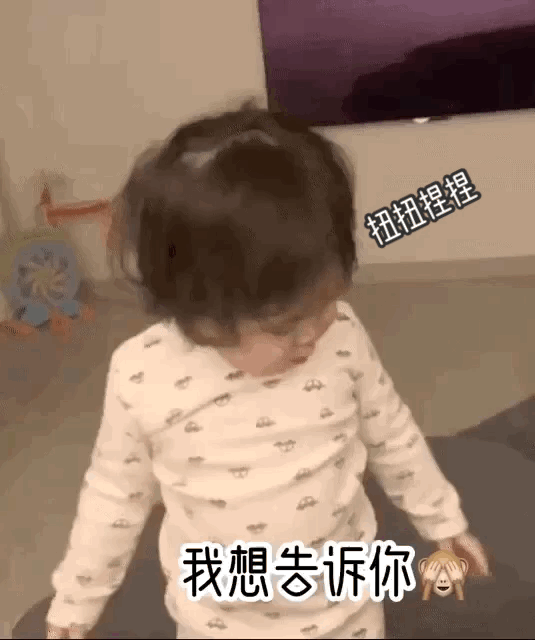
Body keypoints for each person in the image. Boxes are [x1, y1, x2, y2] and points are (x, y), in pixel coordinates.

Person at [46, 100, 489, 639]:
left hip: (345, 606)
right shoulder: (142, 377)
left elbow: (392, 433)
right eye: (284, 325)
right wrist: (76, 603)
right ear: (198, 312)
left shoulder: (342, 337)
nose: (313, 332)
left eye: (324, 303)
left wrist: (442, 522)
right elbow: (115, 494)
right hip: (218, 620)